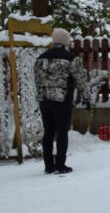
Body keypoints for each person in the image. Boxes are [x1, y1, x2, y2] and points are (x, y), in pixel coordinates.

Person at [33, 27, 91, 175]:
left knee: (48, 132)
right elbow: (81, 80)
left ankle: (48, 165)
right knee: (62, 132)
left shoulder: (41, 58)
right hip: (62, 100)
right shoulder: (71, 59)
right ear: (66, 42)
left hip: (44, 99)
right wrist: (87, 99)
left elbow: (37, 80)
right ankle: (60, 164)